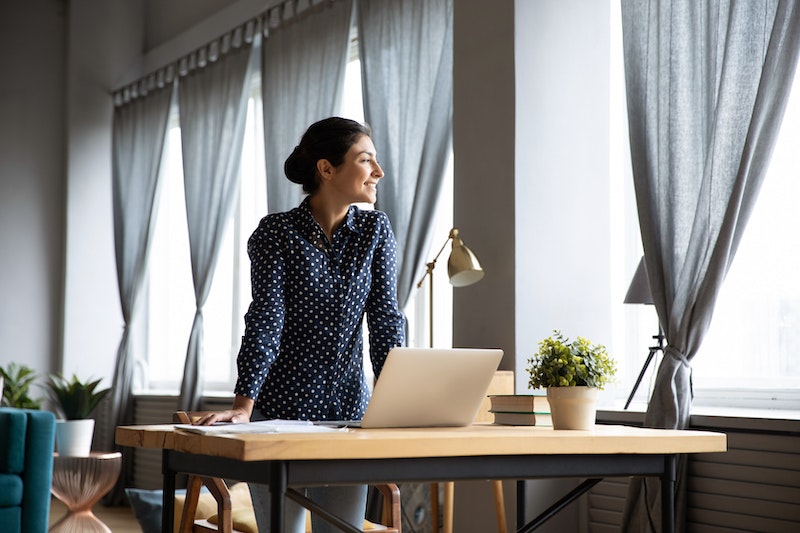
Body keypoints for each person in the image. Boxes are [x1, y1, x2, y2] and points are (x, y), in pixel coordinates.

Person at [197, 117, 406, 532]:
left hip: (347, 416)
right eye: (366, 160)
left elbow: (385, 321)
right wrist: (243, 406)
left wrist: (396, 400)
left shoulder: (375, 231)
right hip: (279, 418)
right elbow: (266, 319)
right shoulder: (276, 233)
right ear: (327, 169)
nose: (378, 172)